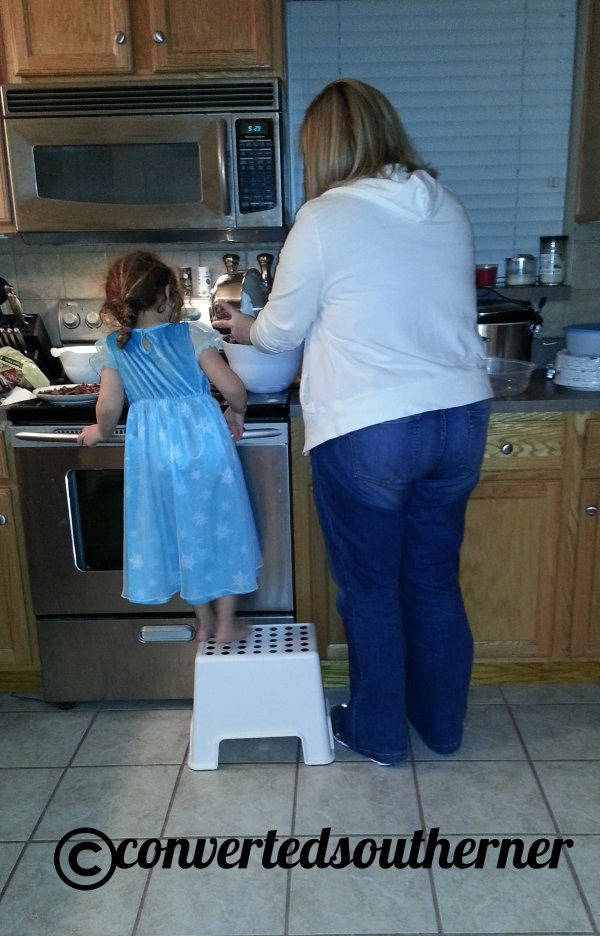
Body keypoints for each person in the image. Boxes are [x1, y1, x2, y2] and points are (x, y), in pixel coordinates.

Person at [214, 78, 492, 765]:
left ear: (324, 148)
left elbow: (279, 334)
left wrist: (240, 324)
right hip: (458, 420)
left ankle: (376, 733)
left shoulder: (325, 215)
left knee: (370, 591)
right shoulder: (446, 205)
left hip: (372, 427)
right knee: (430, 580)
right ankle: (441, 727)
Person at [78, 251, 261, 644]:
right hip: (204, 450)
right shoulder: (191, 335)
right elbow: (232, 387)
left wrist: (98, 431)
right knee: (218, 528)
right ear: (167, 292)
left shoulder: (114, 346)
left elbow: (108, 406)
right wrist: (236, 412)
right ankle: (226, 624)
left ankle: (204, 621)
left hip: (153, 458)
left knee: (182, 532)